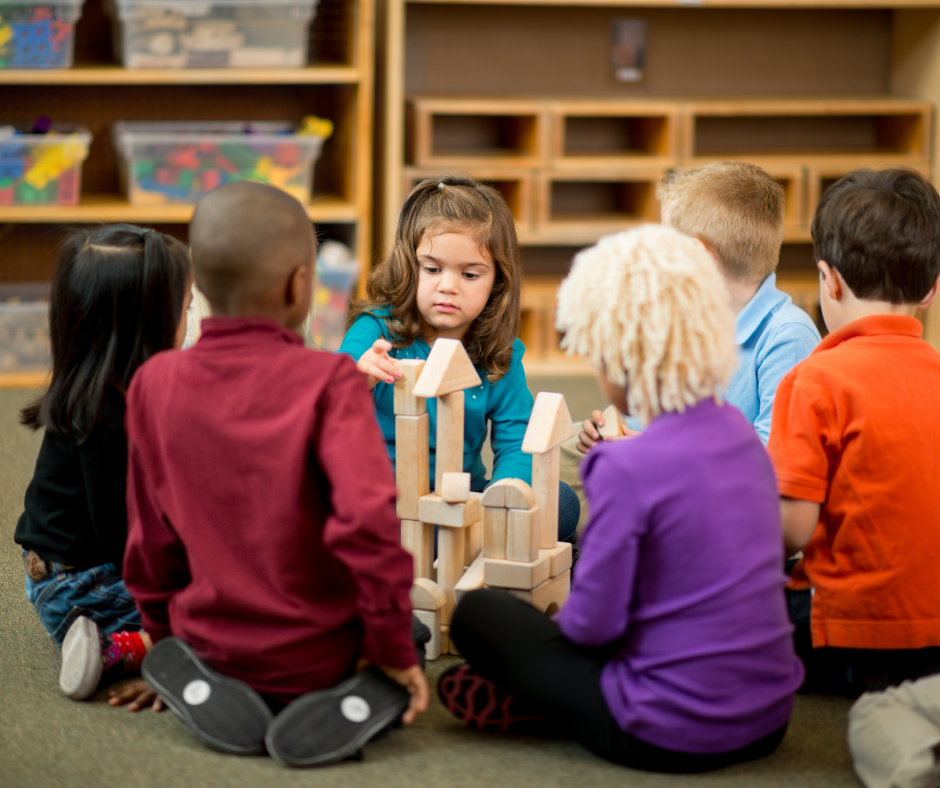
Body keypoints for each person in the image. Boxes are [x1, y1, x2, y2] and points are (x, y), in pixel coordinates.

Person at [438, 225, 804, 772]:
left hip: (663, 731)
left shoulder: (623, 465)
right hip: (770, 719)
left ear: (612, 362)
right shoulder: (736, 432)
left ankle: (543, 701)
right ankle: (546, 694)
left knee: (478, 613)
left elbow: (592, 626)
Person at [122, 181, 429, 766]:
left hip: (206, 646)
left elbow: (149, 538)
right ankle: (350, 697)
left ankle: (201, 682)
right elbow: (366, 525)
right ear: (299, 285)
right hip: (319, 655)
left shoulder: (153, 383)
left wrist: (163, 639)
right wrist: (391, 647)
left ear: (198, 287)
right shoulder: (330, 382)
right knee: (412, 634)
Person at [567, 162, 820, 532]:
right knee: (563, 445)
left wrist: (648, 453)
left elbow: (770, 464)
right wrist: (612, 426)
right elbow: (640, 410)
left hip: (727, 507)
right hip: (666, 475)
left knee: (583, 504)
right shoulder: (682, 315)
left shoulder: (787, 336)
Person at [767, 167, 940, 696]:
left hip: (841, 630)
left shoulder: (813, 381)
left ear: (829, 279)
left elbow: (790, 531)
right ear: (931, 290)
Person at [339, 174, 579, 542]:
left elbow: (518, 440)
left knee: (561, 502)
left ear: (497, 281)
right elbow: (330, 396)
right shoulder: (376, 330)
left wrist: (505, 494)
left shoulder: (501, 354)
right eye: (432, 269)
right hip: (381, 502)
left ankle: (475, 547)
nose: (447, 286)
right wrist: (359, 376)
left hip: (460, 504)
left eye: (469, 274)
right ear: (409, 265)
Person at [14, 224, 192, 701]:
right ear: (146, 324)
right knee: (226, 606)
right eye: (186, 308)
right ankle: (120, 650)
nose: (191, 320)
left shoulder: (98, 389)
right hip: (80, 586)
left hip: (60, 573)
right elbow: (126, 540)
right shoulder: (106, 419)